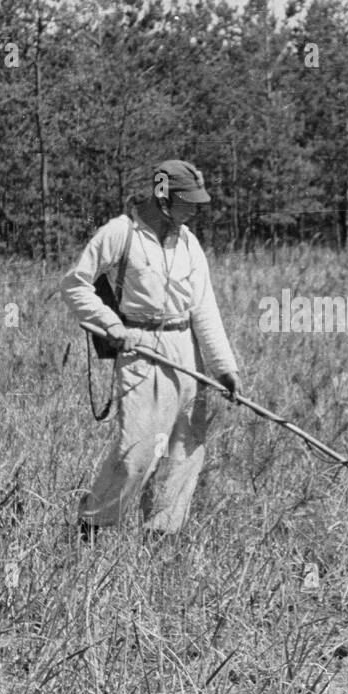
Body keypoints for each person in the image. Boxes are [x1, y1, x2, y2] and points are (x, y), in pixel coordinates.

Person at [60, 159, 241, 538]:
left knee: (185, 447)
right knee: (138, 447)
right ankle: (90, 527)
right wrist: (111, 325)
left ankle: (163, 534)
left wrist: (224, 367)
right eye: (186, 201)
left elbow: (204, 307)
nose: (194, 209)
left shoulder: (188, 241)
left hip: (185, 350)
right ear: (163, 196)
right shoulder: (120, 233)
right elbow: (76, 284)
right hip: (140, 347)